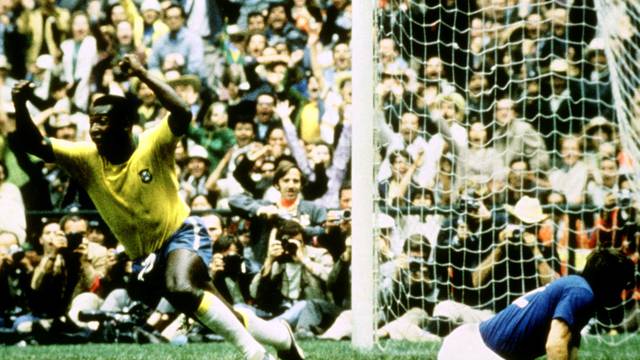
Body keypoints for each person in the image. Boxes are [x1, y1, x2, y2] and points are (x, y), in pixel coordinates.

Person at [11, 54, 303, 360]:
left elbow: (182, 112)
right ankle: (281, 336)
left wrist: (141, 72)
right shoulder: (85, 157)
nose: (94, 129)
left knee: (180, 287)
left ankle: (255, 355)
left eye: (102, 121)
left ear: (125, 125)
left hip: (182, 233)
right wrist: (20, 104)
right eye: (91, 121)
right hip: (145, 258)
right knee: (217, 311)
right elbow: (35, 145)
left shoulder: (152, 143)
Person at [438, 248, 635, 360]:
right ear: (609, 282)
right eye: (620, 286)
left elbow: (569, 347)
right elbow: (555, 345)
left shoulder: (578, 287)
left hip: (468, 343)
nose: (620, 294)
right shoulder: (582, 293)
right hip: (475, 353)